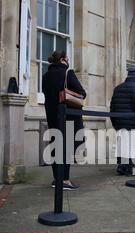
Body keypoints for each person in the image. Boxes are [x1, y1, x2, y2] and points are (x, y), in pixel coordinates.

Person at [42, 51, 87, 190]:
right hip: (69, 116)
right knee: (66, 149)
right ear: (62, 60)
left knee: (56, 147)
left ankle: (57, 179)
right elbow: (82, 93)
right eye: (67, 59)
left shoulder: (45, 76)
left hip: (52, 116)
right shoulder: (68, 73)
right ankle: (65, 180)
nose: (68, 62)